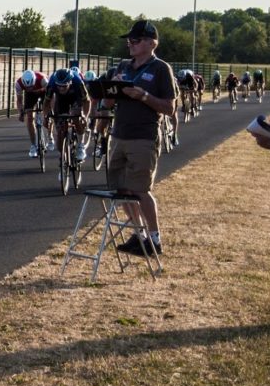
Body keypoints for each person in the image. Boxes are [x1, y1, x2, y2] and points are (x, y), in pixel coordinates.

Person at [102, 20, 176, 257]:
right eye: (129, 40)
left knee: (141, 189)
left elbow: (170, 108)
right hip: (119, 134)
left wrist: (143, 95)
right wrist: (108, 93)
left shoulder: (161, 69)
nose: (130, 44)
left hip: (143, 137)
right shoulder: (122, 66)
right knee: (121, 189)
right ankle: (139, 234)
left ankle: (155, 239)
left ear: (151, 43)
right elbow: (109, 101)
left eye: (135, 40)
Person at [43, 67, 91, 163]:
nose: (61, 88)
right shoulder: (52, 83)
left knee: (76, 116)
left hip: (75, 98)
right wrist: (46, 117)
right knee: (59, 127)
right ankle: (64, 157)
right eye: (59, 86)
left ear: (70, 82)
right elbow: (46, 102)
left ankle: (81, 146)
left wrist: (85, 116)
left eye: (64, 86)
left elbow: (87, 101)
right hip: (60, 100)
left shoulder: (78, 82)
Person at [14, 69, 50, 158]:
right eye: (27, 87)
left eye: (31, 86)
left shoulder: (43, 79)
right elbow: (19, 100)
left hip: (43, 92)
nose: (30, 88)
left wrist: (48, 112)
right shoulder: (18, 83)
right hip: (30, 96)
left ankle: (50, 135)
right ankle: (34, 145)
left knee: (48, 114)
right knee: (29, 118)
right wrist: (21, 113)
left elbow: (51, 97)